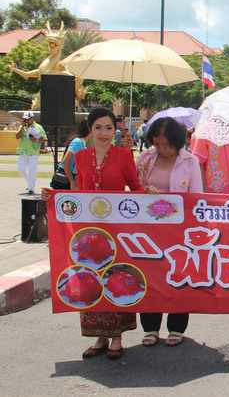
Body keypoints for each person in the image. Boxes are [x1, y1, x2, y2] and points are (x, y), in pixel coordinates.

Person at [74, 107, 144, 360]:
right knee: (91, 279)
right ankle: (99, 336)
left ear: (115, 131)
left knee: (117, 278)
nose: (104, 133)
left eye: (109, 128)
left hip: (117, 229)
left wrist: (150, 197)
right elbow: (76, 193)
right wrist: (53, 198)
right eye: (98, 127)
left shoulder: (124, 155)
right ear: (90, 130)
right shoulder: (80, 157)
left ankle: (117, 337)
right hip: (89, 232)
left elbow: (135, 187)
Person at [137, 117, 203, 348]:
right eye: (157, 144)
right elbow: (134, 189)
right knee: (150, 276)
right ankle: (151, 327)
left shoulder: (190, 162)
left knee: (178, 275)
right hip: (149, 229)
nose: (162, 149)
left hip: (178, 230)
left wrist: (169, 201)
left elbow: (196, 198)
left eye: (167, 145)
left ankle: (176, 327)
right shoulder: (145, 159)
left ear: (177, 143)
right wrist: (144, 191)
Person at [52, 120, 90, 190]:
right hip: (64, 181)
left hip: (71, 180)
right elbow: (65, 162)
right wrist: (72, 181)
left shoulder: (84, 144)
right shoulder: (78, 142)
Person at [16, 111, 47, 195]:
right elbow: (17, 136)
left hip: (33, 152)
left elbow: (45, 139)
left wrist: (36, 140)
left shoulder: (38, 127)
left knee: (32, 171)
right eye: (25, 119)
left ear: (32, 118)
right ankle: (29, 184)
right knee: (20, 169)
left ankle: (31, 188)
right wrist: (22, 126)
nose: (26, 120)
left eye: (28, 119)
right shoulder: (22, 127)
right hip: (23, 151)